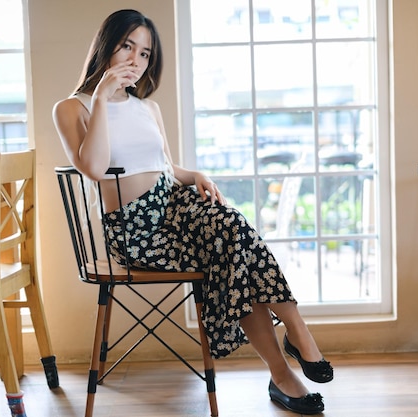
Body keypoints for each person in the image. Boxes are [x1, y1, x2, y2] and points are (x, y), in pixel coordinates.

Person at [52, 9, 332, 415]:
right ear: (106, 45)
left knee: (232, 234)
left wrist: (193, 173)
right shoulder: (72, 107)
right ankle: (289, 354)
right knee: (233, 247)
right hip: (135, 233)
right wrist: (100, 98)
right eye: (127, 46)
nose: (135, 59)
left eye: (145, 53)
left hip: (175, 209)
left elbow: (166, 168)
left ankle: (291, 350)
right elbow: (93, 168)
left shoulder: (148, 108)